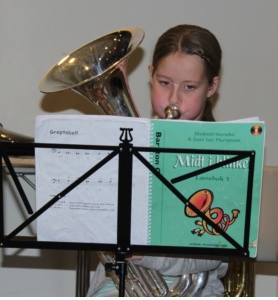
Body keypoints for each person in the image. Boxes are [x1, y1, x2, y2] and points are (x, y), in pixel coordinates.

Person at [87, 24, 227, 296]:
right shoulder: (124, 146)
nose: (174, 98)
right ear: (150, 74)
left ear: (211, 86)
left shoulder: (222, 155)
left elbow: (211, 253)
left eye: (189, 87)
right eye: (164, 83)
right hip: (115, 286)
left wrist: (145, 254)